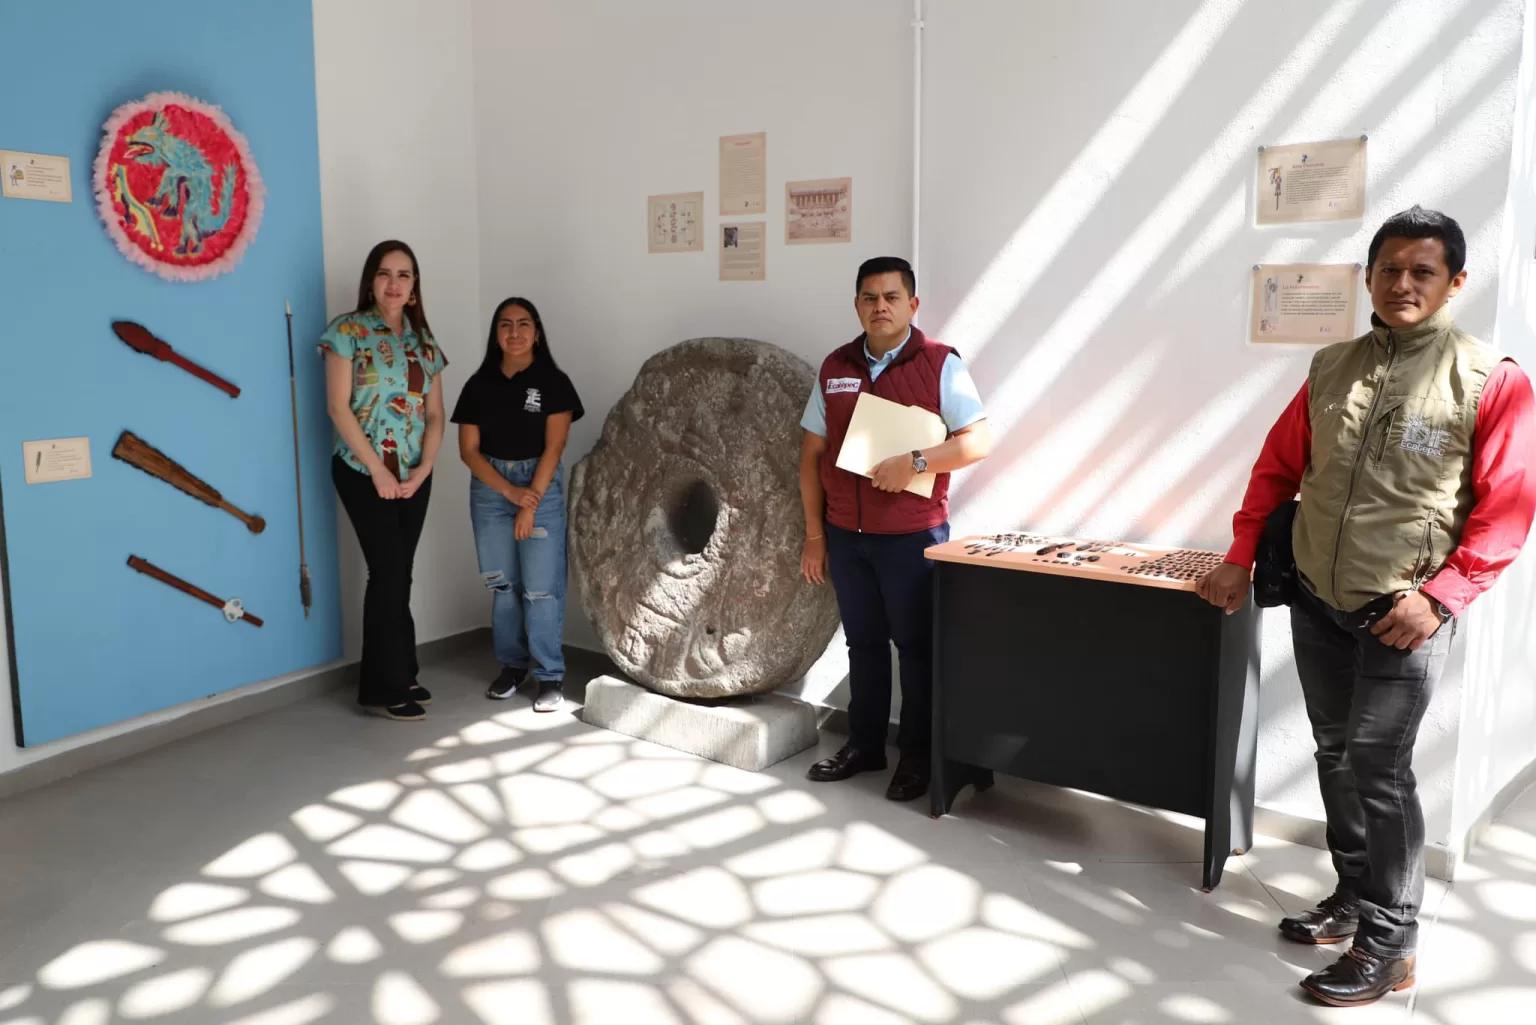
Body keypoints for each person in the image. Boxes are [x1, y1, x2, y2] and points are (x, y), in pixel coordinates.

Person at [1197, 206, 1536, 1008]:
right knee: (1334, 752)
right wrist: (1240, 556)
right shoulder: (1331, 366)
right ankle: (1355, 891)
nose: (1402, 284)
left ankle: (1391, 941)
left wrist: (1443, 598)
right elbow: (1277, 470)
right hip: (1318, 596)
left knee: (1380, 769)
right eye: (1389, 269)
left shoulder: (1491, 379)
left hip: (1404, 613)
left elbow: (1509, 507)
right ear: (1369, 277)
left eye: (1423, 271)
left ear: (1455, 281)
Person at [799, 256, 992, 801]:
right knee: (862, 643)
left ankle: (917, 755)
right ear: (857, 305)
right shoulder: (835, 367)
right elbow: (811, 455)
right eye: (869, 297)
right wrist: (815, 535)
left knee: (916, 648)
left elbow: (977, 441)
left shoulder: (940, 363)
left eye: (891, 297)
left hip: (913, 537)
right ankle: (864, 746)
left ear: (912, 304)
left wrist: (916, 462)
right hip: (846, 535)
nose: (879, 307)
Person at [323, 240, 449, 721]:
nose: (394, 283)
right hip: (361, 471)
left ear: (414, 287)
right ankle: (382, 687)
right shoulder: (346, 332)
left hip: (414, 474)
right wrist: (377, 469)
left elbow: (435, 415)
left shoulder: (424, 344)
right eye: (384, 273)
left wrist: (424, 468)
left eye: (404, 275)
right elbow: (338, 408)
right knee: (388, 572)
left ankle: (403, 671)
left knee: (401, 573)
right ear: (371, 281)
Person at [453, 298, 583, 712]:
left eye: (524, 324)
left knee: (542, 589)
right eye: (505, 324)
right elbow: (469, 451)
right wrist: (509, 493)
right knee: (503, 585)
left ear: (537, 332)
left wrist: (529, 502)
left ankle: (549, 675)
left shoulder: (554, 382)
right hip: (491, 490)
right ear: (496, 334)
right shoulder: (478, 384)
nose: (515, 332)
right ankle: (512, 666)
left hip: (539, 486)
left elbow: (554, 446)